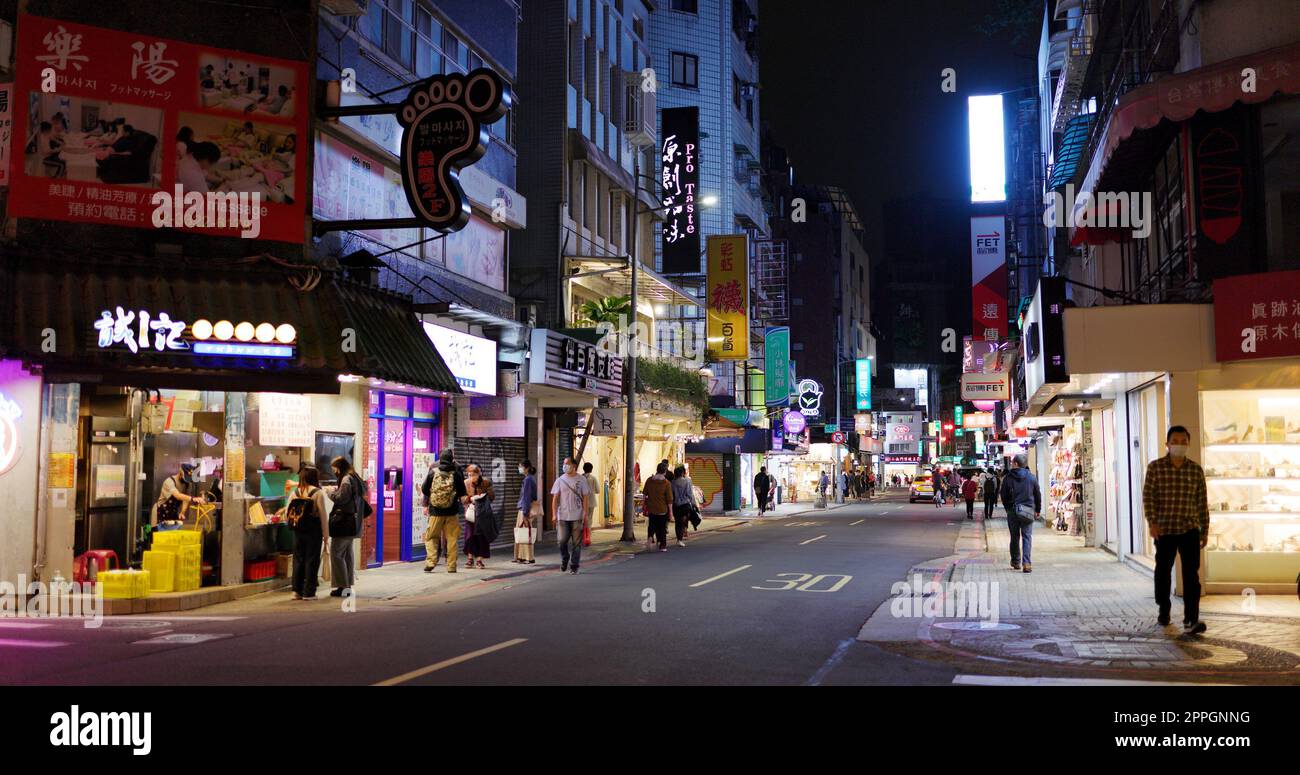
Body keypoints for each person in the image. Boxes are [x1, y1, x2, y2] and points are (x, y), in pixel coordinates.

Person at [1142, 425, 1209, 634]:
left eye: (1183, 441)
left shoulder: (1195, 470)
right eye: (1175, 441)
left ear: (1188, 444)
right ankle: (1164, 608)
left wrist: (1204, 529)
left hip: (1189, 528)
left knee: (1191, 575)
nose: (1179, 445)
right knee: (1163, 572)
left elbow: (1202, 502)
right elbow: (1148, 497)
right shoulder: (1155, 468)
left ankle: (1191, 619)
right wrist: (1152, 522)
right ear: (1167, 444)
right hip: (1164, 529)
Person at [323, 456, 365, 598]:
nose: (333, 471)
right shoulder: (355, 477)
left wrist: (329, 491)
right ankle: (347, 586)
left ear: (339, 468)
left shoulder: (346, 479)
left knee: (337, 554)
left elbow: (341, 499)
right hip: (353, 523)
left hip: (344, 523)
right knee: (347, 554)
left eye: (334, 468)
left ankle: (342, 586)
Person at [287, 467, 329, 600]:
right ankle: (309, 592)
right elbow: (323, 515)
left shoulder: (295, 492)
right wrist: (326, 535)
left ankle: (296, 591)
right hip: (313, 531)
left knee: (298, 560)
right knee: (312, 560)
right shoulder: (318, 493)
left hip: (298, 530)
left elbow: (288, 512)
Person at [421, 447, 466, 573]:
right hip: (452, 511)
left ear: (440, 458)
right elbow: (462, 492)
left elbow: (425, 489)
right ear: (452, 458)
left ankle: (431, 562)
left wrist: (426, 504)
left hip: (435, 511)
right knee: (452, 538)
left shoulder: (433, 470)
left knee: (431, 537)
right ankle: (451, 566)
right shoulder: (456, 471)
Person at [1000, 454, 1042, 573]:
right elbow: (1037, 495)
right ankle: (1027, 563)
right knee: (1027, 537)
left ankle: (1015, 561)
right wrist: (1037, 510)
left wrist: (1008, 508)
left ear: (1016, 464)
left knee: (1014, 537)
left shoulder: (1008, 478)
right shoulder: (1031, 478)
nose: (1012, 464)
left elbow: (1003, 495)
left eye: (1013, 462)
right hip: (1028, 511)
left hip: (1013, 511)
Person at [551, 456, 591, 573]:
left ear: (574, 466)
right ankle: (565, 558)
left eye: (567, 463)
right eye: (564, 463)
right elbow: (555, 498)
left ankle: (574, 566)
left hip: (577, 516)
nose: (564, 466)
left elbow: (585, 497)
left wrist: (585, 513)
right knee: (561, 541)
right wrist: (554, 514)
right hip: (563, 516)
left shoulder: (581, 480)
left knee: (576, 543)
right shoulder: (560, 480)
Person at [460, 462, 495, 570]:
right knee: (469, 537)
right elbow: (462, 498)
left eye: (473, 475)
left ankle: (479, 560)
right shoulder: (465, 483)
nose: (471, 478)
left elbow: (492, 497)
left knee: (481, 537)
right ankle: (470, 559)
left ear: (478, 474)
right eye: (469, 475)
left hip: (482, 515)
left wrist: (483, 497)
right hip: (470, 514)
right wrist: (470, 498)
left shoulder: (486, 482)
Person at [642, 461, 673, 552]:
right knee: (662, 527)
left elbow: (644, 494)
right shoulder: (666, 483)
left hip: (651, 507)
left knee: (652, 524)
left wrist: (644, 504)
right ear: (665, 472)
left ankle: (650, 537)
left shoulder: (649, 480)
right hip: (662, 508)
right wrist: (671, 512)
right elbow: (669, 499)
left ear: (657, 470)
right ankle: (662, 545)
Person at [513, 460, 539, 564]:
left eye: (520, 466)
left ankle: (529, 557)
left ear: (527, 468)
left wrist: (524, 512)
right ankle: (521, 556)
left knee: (524, 533)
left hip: (524, 509)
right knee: (522, 532)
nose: (519, 468)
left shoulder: (528, 479)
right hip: (524, 508)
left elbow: (527, 497)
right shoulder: (530, 478)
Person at [671, 464, 699, 547]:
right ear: (682, 473)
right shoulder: (687, 481)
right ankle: (680, 539)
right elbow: (690, 494)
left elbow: (671, 494)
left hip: (675, 505)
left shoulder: (672, 482)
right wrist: (693, 503)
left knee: (677, 522)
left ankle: (678, 538)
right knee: (683, 522)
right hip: (685, 505)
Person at [581, 461, 600, 530]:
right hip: (591, 502)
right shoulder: (593, 478)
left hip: (581, 502)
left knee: (582, 518)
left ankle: (582, 533)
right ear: (591, 469)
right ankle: (587, 534)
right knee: (589, 518)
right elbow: (598, 490)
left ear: (583, 469)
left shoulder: (580, 478)